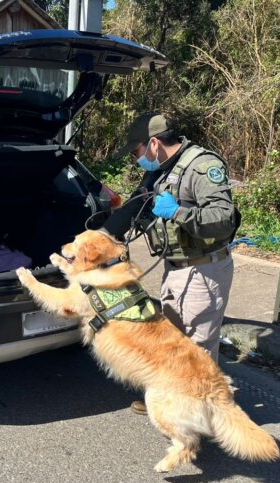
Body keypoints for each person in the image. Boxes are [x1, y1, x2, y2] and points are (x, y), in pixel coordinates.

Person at [103, 113, 238, 415]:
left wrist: (178, 213)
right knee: (173, 344)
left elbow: (223, 220)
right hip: (177, 268)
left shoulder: (202, 166)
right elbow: (137, 204)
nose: (137, 160)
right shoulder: (163, 171)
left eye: (136, 153)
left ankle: (201, 415)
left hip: (203, 269)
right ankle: (171, 399)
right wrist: (102, 235)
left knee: (198, 349)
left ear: (153, 143)